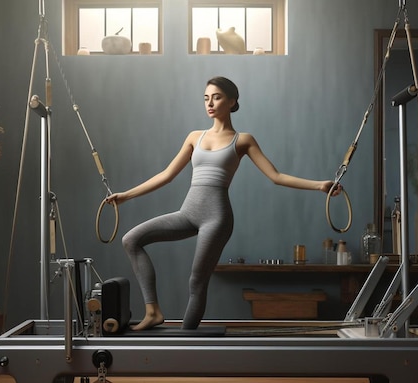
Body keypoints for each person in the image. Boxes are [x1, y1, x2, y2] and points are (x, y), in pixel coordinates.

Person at [105, 76, 342, 330]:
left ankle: (186, 343)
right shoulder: (194, 137)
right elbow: (166, 175)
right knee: (131, 239)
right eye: (206, 98)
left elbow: (276, 176)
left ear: (232, 101)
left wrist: (320, 185)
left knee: (197, 281)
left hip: (216, 218)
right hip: (188, 213)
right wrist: (125, 195)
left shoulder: (243, 140)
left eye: (216, 97)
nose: (210, 103)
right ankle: (153, 312)